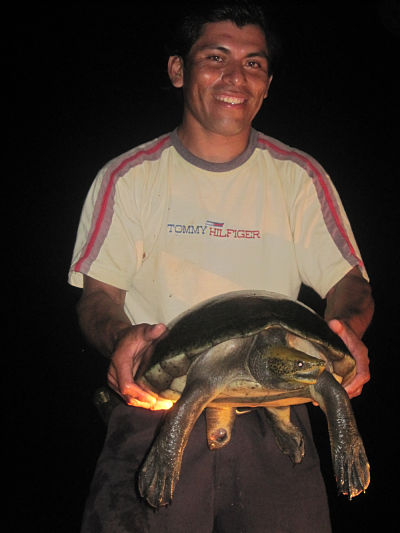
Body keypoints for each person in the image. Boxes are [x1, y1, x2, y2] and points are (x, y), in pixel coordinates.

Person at [69, 2, 374, 532]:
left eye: (253, 64)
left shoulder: (299, 176)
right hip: (160, 411)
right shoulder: (129, 177)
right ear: (178, 69)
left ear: (268, 83)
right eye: (216, 57)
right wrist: (122, 338)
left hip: (277, 406)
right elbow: (98, 297)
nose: (236, 77)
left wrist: (345, 333)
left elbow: (350, 283)